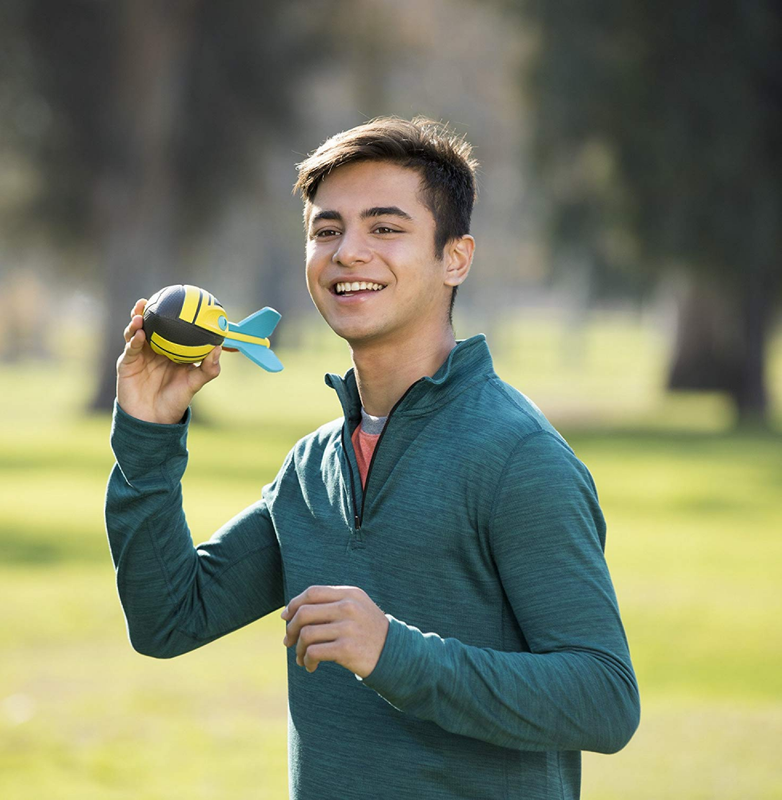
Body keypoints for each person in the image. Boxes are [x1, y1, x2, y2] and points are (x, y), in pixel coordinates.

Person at [106, 116, 640, 799]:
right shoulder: (312, 470)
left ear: (456, 258)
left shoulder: (519, 458)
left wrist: (391, 652)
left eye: (385, 228)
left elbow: (604, 700)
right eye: (326, 230)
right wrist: (149, 432)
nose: (347, 252)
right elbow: (168, 619)